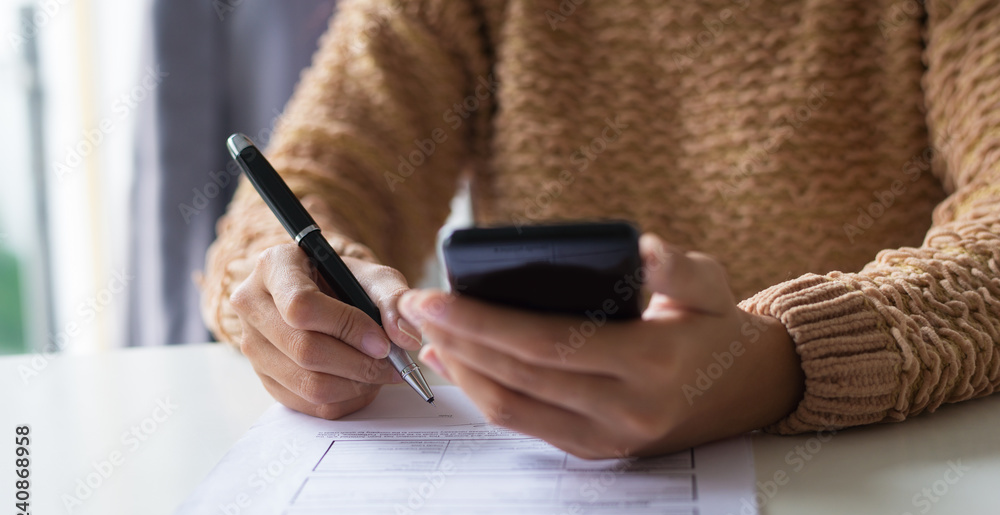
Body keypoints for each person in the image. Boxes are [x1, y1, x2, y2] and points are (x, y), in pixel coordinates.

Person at [201, 0, 1000, 460]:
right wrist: (291, 282)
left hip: (886, 478)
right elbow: (316, 180)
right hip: (545, 499)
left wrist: (779, 362)